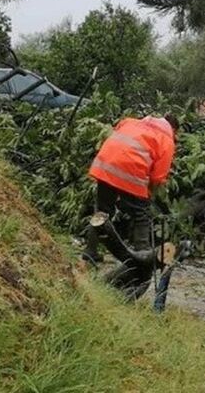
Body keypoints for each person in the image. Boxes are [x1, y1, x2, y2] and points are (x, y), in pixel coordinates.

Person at [83, 113, 178, 299]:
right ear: (174, 129)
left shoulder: (131, 122)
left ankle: (90, 252)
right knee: (141, 215)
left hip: (105, 164)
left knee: (102, 213)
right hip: (130, 171)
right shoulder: (166, 139)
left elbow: (119, 141)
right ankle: (141, 255)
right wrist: (148, 194)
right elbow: (158, 177)